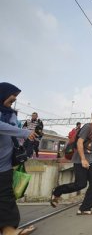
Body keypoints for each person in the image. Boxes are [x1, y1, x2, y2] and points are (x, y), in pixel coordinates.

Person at [50, 109, 92, 215]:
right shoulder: (87, 127)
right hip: (80, 160)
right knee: (80, 184)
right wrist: (83, 159)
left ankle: (85, 208)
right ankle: (57, 191)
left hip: (90, 161)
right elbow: (80, 143)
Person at [0, 82, 37, 235]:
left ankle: (9, 230)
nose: (14, 98)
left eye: (16, 96)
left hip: (5, 164)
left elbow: (16, 132)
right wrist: (23, 133)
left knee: (6, 196)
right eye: (13, 95)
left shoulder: (12, 114)